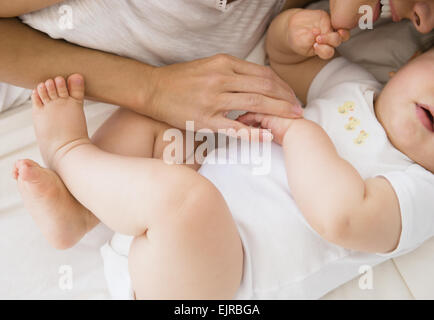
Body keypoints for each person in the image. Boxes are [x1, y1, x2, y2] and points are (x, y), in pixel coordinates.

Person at [13, 5, 433, 299]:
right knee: (165, 122)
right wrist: (293, 34)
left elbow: (342, 217)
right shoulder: (353, 85)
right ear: (410, 58)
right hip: (166, 210)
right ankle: (79, 211)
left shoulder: (422, 185)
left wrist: (297, 132)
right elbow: (284, 64)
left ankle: (68, 151)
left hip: (211, 282)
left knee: (189, 201)